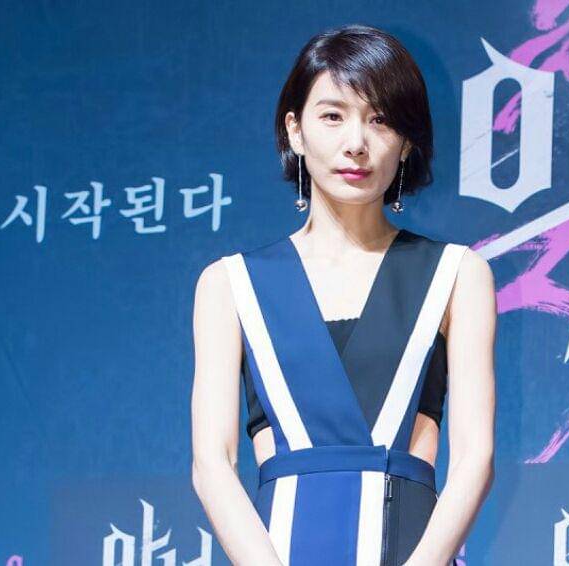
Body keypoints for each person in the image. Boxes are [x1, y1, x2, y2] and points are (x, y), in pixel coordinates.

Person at [191, 24, 495, 566]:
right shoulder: (229, 284)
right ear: (295, 130)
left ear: (406, 142)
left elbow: (475, 458)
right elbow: (212, 463)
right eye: (333, 116)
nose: (356, 142)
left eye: (380, 120)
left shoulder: (457, 274)